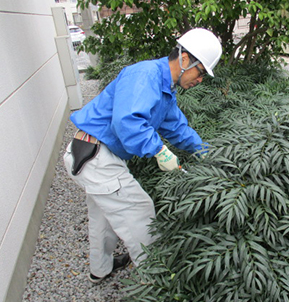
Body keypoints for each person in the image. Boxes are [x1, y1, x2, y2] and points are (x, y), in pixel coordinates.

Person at [63, 28, 222, 284]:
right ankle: (158, 283)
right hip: (95, 158)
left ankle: (100, 269)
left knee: (102, 216)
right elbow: (127, 122)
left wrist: (206, 152)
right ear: (184, 59)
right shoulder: (144, 75)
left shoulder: (164, 89)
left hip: (93, 155)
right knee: (139, 211)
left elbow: (177, 128)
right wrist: (158, 150)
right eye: (201, 72)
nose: (200, 79)